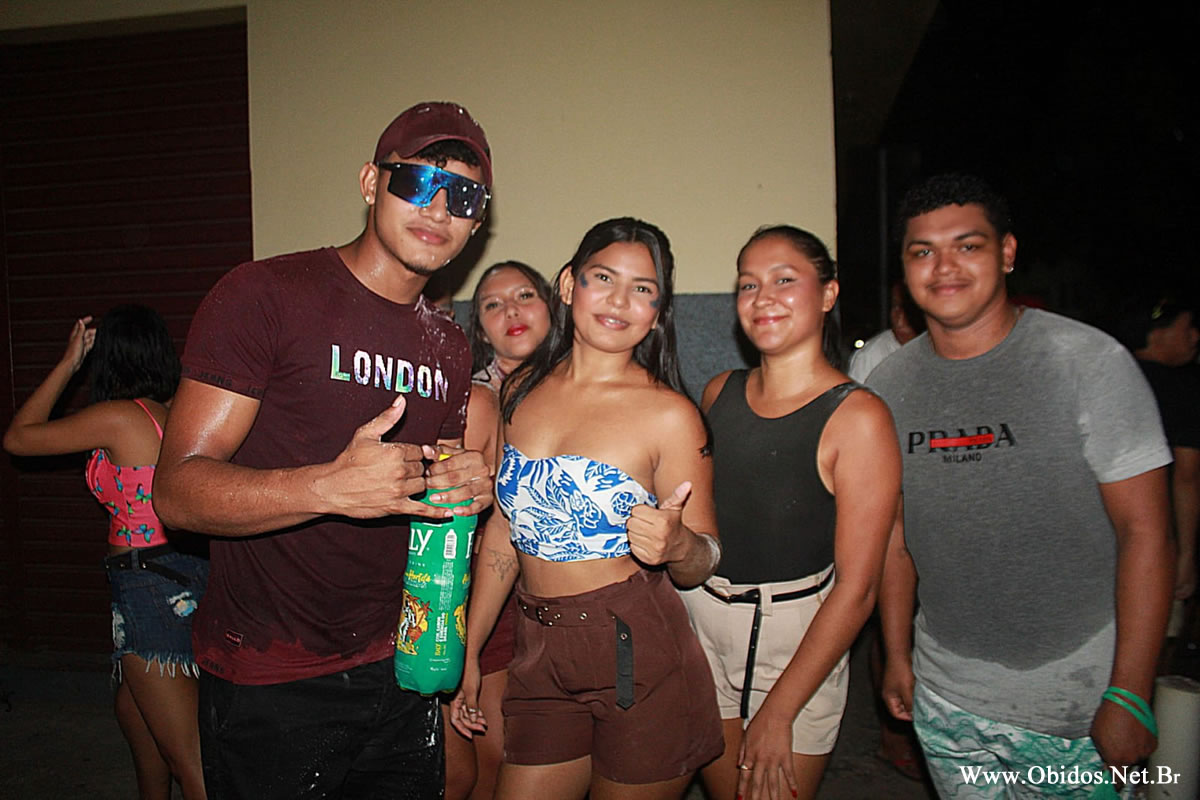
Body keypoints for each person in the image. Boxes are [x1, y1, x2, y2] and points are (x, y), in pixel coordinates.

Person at [153, 101, 496, 799]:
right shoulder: (266, 294)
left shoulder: (449, 345)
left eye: (463, 197)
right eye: (418, 181)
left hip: (402, 664)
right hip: (272, 676)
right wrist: (327, 489)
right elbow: (176, 492)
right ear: (371, 182)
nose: (439, 209)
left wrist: (462, 481)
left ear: (476, 222)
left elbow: (427, 484)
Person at [872, 173, 1174, 798]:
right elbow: (896, 537)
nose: (944, 266)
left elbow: (1147, 532)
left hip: (1077, 705)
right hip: (947, 699)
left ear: (1007, 252)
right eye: (923, 251)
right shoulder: (889, 387)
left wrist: (1130, 693)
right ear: (904, 270)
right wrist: (897, 655)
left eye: (967, 245)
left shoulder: (1087, 362)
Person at [450, 217, 724, 800]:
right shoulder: (521, 390)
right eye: (604, 278)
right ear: (569, 284)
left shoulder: (670, 415)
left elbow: (704, 558)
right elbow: (505, 530)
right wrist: (468, 649)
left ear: (658, 311)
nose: (619, 301)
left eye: (643, 288)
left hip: (637, 651)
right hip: (537, 647)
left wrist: (679, 545)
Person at [680, 226, 901, 800]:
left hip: (794, 645)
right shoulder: (719, 392)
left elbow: (858, 589)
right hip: (702, 625)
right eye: (748, 284)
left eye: (784, 280)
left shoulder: (859, 417)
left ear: (828, 294)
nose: (763, 298)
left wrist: (779, 711)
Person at [4, 305, 208, 800]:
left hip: (148, 588)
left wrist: (69, 363)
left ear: (110, 358)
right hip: (177, 577)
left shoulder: (119, 417)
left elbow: (19, 437)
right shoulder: (174, 413)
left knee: (191, 761)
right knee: (136, 718)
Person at [442, 260, 552, 800]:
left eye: (525, 295)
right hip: (490, 596)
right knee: (488, 761)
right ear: (480, 329)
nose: (511, 310)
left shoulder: (582, 388)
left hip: (568, 605)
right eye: (492, 304)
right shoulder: (475, 402)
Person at [847, 280, 923, 382]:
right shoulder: (871, 356)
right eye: (895, 306)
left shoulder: (938, 350)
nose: (899, 316)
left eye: (907, 308)